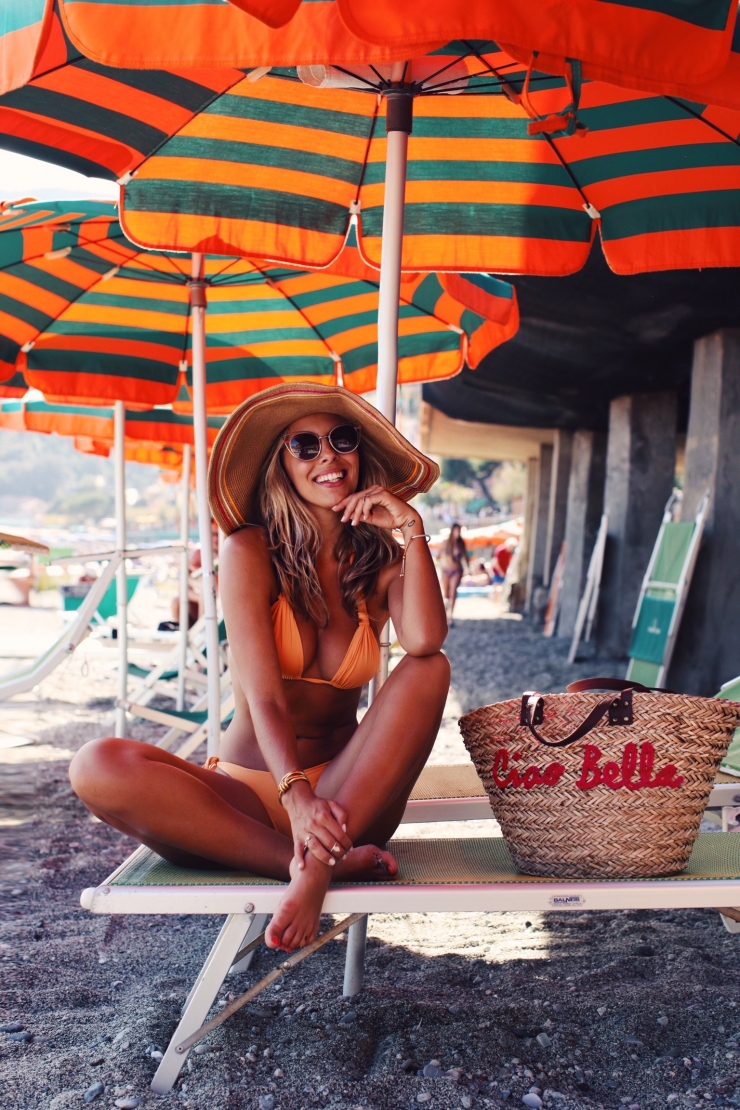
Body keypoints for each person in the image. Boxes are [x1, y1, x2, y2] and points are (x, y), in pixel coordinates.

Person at [69, 383, 449, 953]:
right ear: (283, 466)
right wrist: (295, 798)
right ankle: (311, 867)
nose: (327, 455)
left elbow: (424, 638)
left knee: (430, 670)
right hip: (248, 800)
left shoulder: (381, 562)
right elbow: (264, 696)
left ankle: (314, 862)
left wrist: (412, 531)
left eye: (341, 440)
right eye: (305, 444)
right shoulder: (249, 551)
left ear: (359, 458)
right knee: (96, 764)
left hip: (352, 796)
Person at [438, 522, 468, 624]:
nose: (458, 532)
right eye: (456, 530)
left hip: (457, 570)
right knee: (445, 594)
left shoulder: (461, 543)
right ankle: (444, 615)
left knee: (453, 592)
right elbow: (438, 556)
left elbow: (465, 557)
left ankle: (451, 615)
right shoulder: (445, 543)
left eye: (459, 530)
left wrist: (468, 569)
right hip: (446, 570)